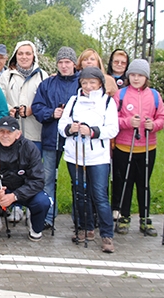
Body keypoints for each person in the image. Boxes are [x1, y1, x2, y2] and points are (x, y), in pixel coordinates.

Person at [58, 67, 119, 253]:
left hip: (98, 157)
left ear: (100, 83)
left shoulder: (107, 102)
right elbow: (62, 126)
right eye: (84, 82)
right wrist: (71, 128)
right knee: (79, 192)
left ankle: (107, 235)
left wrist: (92, 132)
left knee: (99, 195)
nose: (88, 86)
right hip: (74, 154)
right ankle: (85, 228)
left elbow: (112, 129)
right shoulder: (73, 100)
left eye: (92, 82)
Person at [0, 116, 51, 241]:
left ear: (18, 134)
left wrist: (14, 196)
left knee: (43, 201)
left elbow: (38, 180)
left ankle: (35, 226)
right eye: (1, 131)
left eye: (9, 132)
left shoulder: (29, 148)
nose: (5, 135)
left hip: (23, 190)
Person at [112, 59, 164, 236]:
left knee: (144, 184)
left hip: (147, 147)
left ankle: (145, 218)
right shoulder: (120, 95)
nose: (136, 78)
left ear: (146, 77)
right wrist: (128, 122)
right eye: (133, 75)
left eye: (140, 75)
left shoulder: (155, 96)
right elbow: (112, 119)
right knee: (125, 183)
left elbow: (161, 117)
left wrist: (154, 125)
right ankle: (124, 216)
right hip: (124, 146)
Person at [32, 46, 80, 228]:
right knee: (47, 179)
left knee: (78, 181)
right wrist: (52, 113)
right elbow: (37, 107)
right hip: (52, 139)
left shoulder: (82, 83)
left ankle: (80, 218)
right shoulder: (48, 84)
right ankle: (48, 216)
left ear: (74, 63)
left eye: (67, 62)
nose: (64, 66)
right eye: (60, 62)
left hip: (76, 142)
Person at [0, 40, 48, 152]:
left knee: (33, 166)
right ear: (16, 55)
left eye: (28, 53)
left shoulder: (43, 76)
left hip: (35, 132)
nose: (24, 57)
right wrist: (10, 109)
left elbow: (48, 101)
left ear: (33, 56)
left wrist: (32, 109)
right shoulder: (6, 76)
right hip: (10, 132)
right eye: (20, 53)